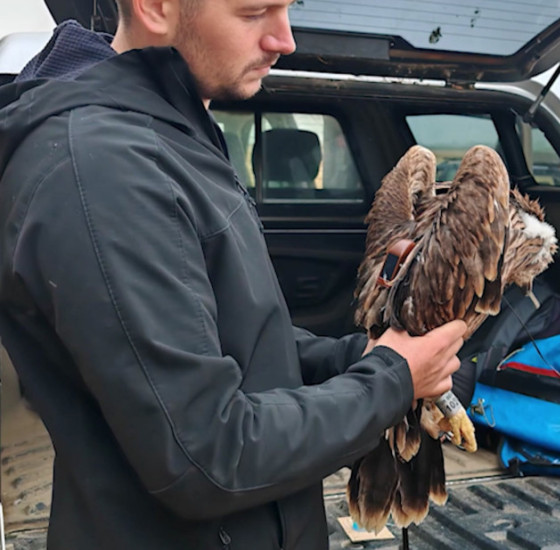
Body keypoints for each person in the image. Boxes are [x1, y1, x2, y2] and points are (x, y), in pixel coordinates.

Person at [0, 1, 467, 549]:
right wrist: (392, 379)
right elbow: (207, 455)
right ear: (154, 7)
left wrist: (357, 359)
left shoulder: (169, 130)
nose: (285, 40)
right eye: (255, 12)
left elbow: (218, 333)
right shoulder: (102, 171)